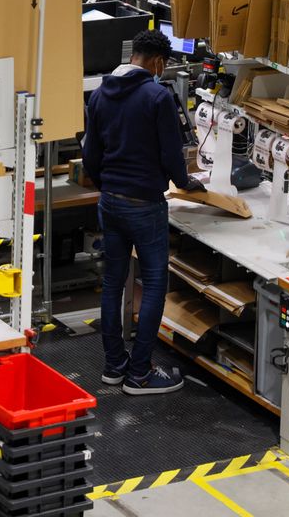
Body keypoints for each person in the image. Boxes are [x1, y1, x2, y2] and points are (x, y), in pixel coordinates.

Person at [82, 30, 204, 396]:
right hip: (144, 205)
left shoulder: (100, 94)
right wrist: (186, 183)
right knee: (153, 283)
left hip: (110, 201)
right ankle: (140, 374)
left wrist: (110, 183)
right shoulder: (157, 96)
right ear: (157, 63)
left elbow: (91, 156)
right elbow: (171, 153)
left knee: (114, 283)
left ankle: (113, 367)